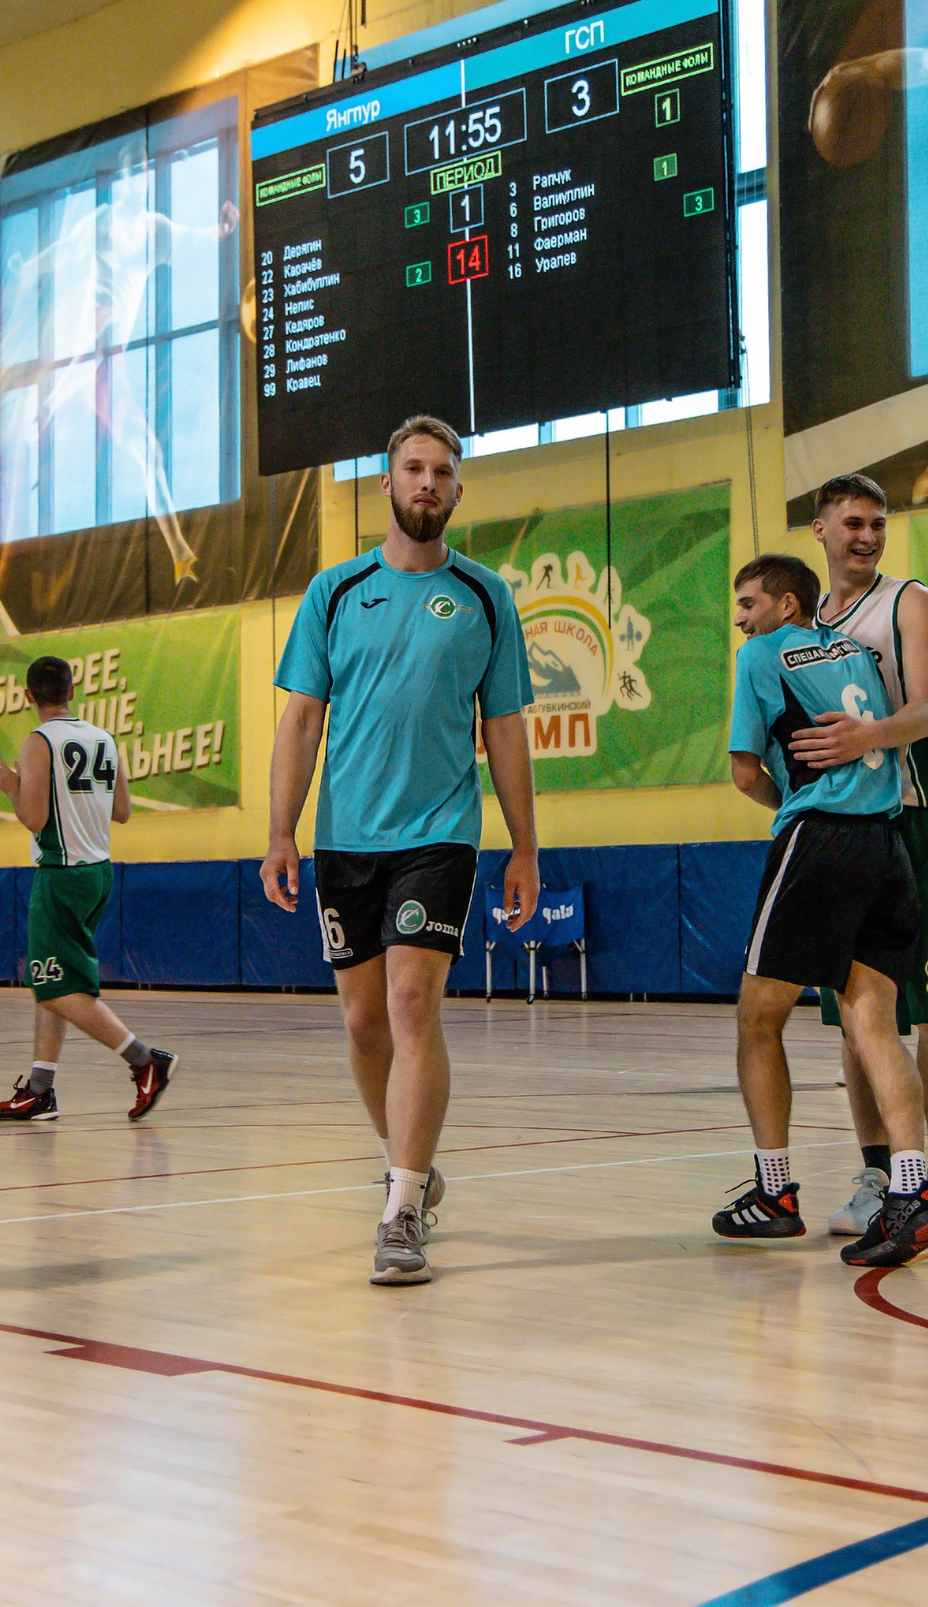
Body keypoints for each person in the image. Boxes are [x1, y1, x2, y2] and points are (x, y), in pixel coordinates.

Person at [263, 414, 538, 1286]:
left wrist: (526, 848)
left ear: (458, 490)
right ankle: (409, 1158)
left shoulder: (487, 596)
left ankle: (402, 1203)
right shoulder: (334, 592)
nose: (428, 482)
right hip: (346, 838)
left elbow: (504, 730)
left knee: (414, 1003)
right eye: (413, 468)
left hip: (442, 833)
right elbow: (302, 718)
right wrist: (281, 831)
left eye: (443, 471)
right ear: (386, 483)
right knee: (363, 1019)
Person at [720, 547, 928, 1269]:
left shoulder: (761, 658)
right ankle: (914, 1191)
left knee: (758, 1015)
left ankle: (775, 1192)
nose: (741, 619)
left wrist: (786, 805)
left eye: (749, 604)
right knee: (873, 1021)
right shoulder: (858, 652)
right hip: (888, 847)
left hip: (818, 839)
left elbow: (743, 770)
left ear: (787, 605)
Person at [792, 472, 928, 1242]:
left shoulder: (910, 600)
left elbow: (926, 711)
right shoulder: (804, 627)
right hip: (848, 832)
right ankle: (876, 1176)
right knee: (856, 1016)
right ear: (821, 530)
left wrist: (860, 737)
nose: (868, 535)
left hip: (922, 823)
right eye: (853, 522)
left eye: (877, 522)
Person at [0, 654, 176, 1122]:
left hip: (61, 874)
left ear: (28, 697)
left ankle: (145, 1060)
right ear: (72, 690)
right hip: (98, 872)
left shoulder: (38, 741)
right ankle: (40, 1088)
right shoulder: (103, 738)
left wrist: (10, 785)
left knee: (52, 986)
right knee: (54, 977)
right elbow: (123, 810)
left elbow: (34, 819)